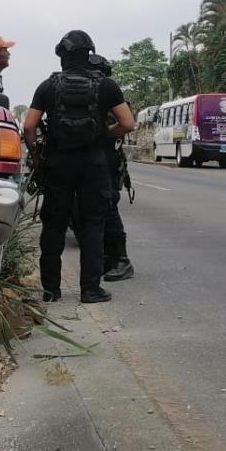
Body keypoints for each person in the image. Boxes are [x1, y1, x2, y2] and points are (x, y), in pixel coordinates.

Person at [23, 30, 135, 303]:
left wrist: (37, 154)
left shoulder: (48, 86)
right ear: (89, 54)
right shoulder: (107, 85)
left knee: (54, 225)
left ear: (62, 56)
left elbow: (29, 126)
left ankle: (51, 290)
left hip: (59, 162)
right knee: (93, 226)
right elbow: (128, 124)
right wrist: (103, 135)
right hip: (94, 162)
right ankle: (90, 289)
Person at [87, 54, 135, 282]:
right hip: (96, 160)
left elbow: (126, 124)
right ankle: (108, 258)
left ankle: (121, 260)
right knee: (99, 211)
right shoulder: (89, 92)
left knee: (108, 209)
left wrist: (103, 135)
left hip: (107, 160)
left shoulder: (108, 92)